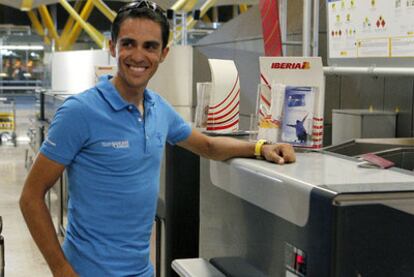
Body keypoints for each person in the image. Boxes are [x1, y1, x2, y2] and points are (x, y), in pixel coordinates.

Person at [19, 1, 296, 276]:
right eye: (128, 43)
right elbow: (31, 197)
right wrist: (61, 270)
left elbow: (208, 146)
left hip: (141, 271)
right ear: (112, 47)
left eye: (150, 46)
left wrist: (261, 147)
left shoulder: (158, 108)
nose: (138, 56)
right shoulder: (80, 112)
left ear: (163, 53)